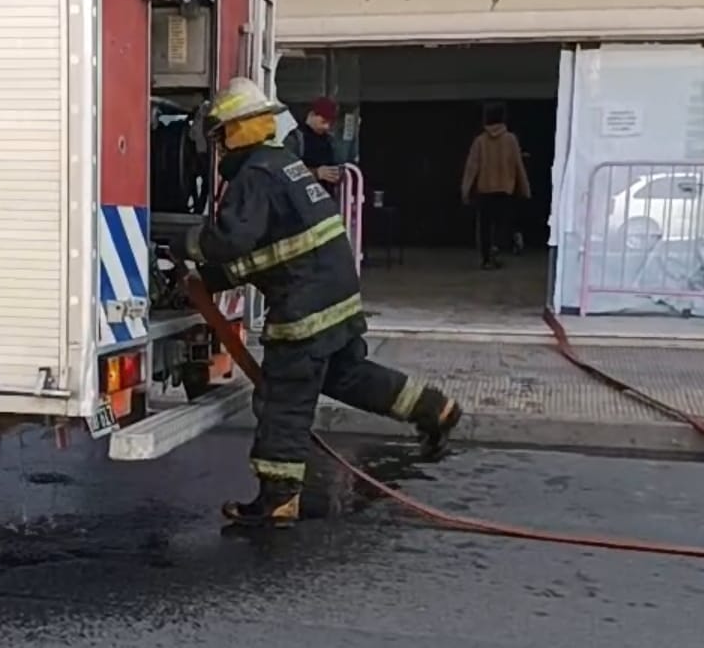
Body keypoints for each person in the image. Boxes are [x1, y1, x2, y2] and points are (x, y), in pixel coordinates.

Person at [173, 77, 463, 528]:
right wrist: (211, 281)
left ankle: (278, 497)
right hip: (337, 293)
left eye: (220, 135)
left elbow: (233, 240)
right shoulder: (284, 163)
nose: (219, 147)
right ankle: (435, 409)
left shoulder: (254, 176)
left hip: (305, 306)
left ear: (235, 131)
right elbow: (272, 251)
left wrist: (187, 243)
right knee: (348, 375)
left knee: (284, 398)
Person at [460, 101, 532, 270]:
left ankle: (486, 259)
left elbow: (472, 167)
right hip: (505, 189)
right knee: (502, 224)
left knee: (485, 226)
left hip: (485, 190)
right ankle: (497, 250)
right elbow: (518, 165)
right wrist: (525, 188)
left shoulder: (480, 141)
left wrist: (465, 190)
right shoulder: (511, 140)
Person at [283, 96, 343, 196]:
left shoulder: (329, 141)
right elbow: (285, 172)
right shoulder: (295, 139)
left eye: (330, 123)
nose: (326, 127)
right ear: (311, 115)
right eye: (323, 122)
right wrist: (316, 173)